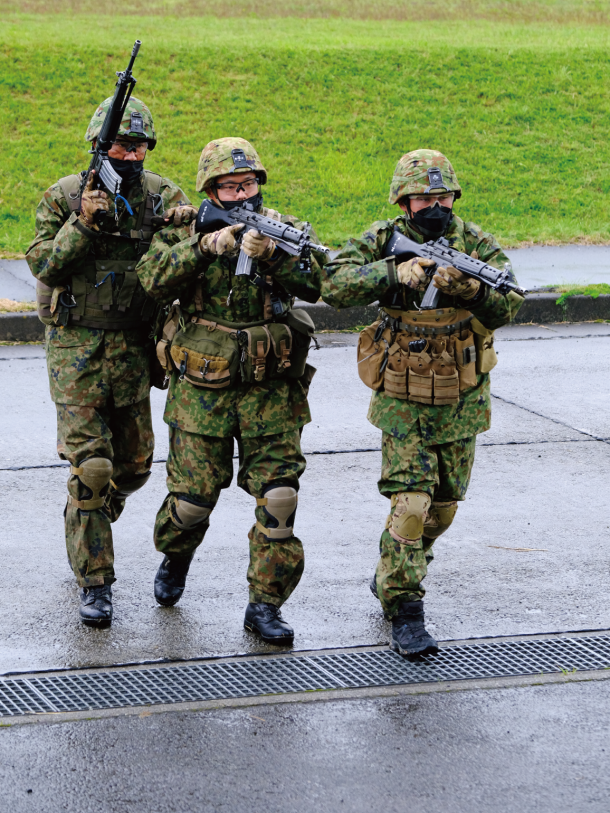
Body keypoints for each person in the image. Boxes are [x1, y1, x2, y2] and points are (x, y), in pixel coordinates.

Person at [322, 149, 524, 657]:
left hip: (460, 394)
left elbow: (510, 303)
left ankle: (390, 573)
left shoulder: (474, 242)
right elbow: (334, 282)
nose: (433, 205)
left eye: (442, 196)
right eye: (422, 197)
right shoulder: (381, 237)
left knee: (443, 508)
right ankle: (406, 610)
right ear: (402, 201)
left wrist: (472, 290)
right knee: (411, 505)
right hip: (402, 393)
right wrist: (396, 275)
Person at [136, 137, 327, 645]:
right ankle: (176, 557)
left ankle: (265, 605)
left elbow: (317, 282)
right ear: (210, 191)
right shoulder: (186, 226)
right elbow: (151, 280)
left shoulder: (281, 227)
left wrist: (274, 258)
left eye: (247, 184)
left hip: (271, 391)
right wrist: (205, 247)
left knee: (280, 499)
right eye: (228, 187)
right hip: (203, 390)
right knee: (193, 501)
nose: (240, 194)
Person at [26, 97, 191, 626]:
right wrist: (84, 225)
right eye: (120, 145)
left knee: (135, 468)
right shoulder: (66, 196)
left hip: (134, 353)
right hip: (77, 354)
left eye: (139, 146)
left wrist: (183, 229)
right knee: (93, 470)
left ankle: (84, 513)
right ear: (99, 146)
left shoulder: (163, 196)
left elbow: (171, 269)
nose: (130, 154)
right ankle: (96, 581)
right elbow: (46, 262)